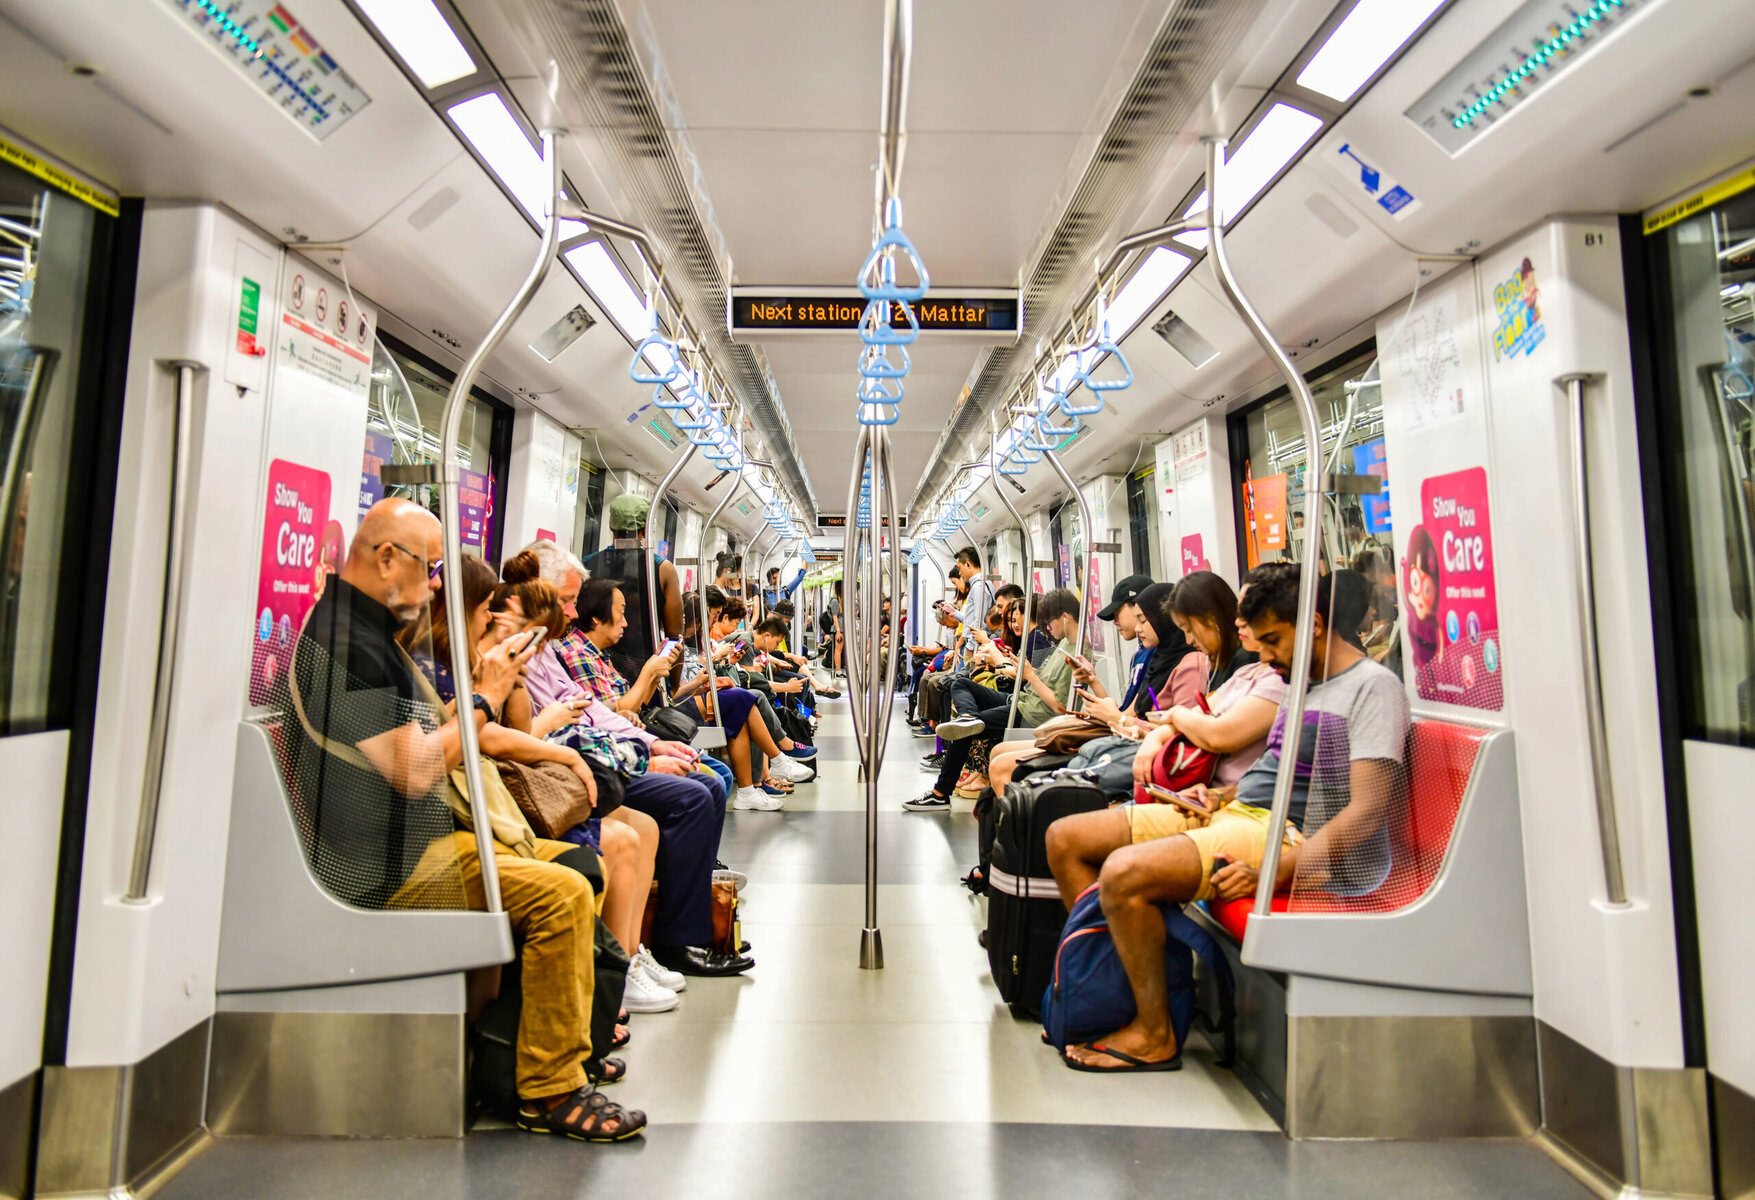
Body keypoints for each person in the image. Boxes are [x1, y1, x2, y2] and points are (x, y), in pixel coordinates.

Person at [286, 499, 644, 1140]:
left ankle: (534, 1046)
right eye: (427, 571)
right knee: (560, 891)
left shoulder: (366, 633)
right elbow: (416, 770)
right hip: (380, 864)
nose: (432, 589)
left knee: (575, 866)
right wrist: (481, 696)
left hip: (413, 842)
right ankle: (550, 1090)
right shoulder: (348, 642)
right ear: (386, 558)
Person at [1043, 564, 1409, 1072]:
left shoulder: (1373, 688)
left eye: (1276, 640)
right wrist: (1220, 795)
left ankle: (1155, 1033)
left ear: (1317, 626)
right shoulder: (1300, 679)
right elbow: (1277, 769)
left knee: (1124, 873)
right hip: (1239, 812)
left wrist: (1279, 871)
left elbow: (1367, 811)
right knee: (1067, 837)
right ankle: (1115, 995)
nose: (1266, 654)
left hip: (1284, 834)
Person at [534, 569, 754, 978]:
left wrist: (650, 744)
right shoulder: (557, 655)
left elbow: (593, 711)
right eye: (565, 601)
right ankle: (678, 936)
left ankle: (693, 923)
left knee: (709, 780)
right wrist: (644, 748)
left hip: (604, 749)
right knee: (693, 793)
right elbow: (573, 727)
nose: (572, 611)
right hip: (572, 768)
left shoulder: (550, 653)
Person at [904, 588, 1080, 812]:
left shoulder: (1076, 652)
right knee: (961, 684)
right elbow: (1041, 677)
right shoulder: (1063, 644)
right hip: (1021, 700)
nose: (1047, 627)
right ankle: (969, 716)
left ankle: (941, 793)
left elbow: (1060, 706)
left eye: (1049, 621)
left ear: (1064, 617)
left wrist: (1028, 675)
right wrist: (1021, 668)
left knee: (963, 730)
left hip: (1031, 713)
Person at [581, 494, 682, 687]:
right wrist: (674, 687)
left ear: (611, 526)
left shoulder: (587, 564)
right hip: (646, 673)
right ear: (645, 529)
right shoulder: (662, 569)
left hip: (598, 671)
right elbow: (674, 638)